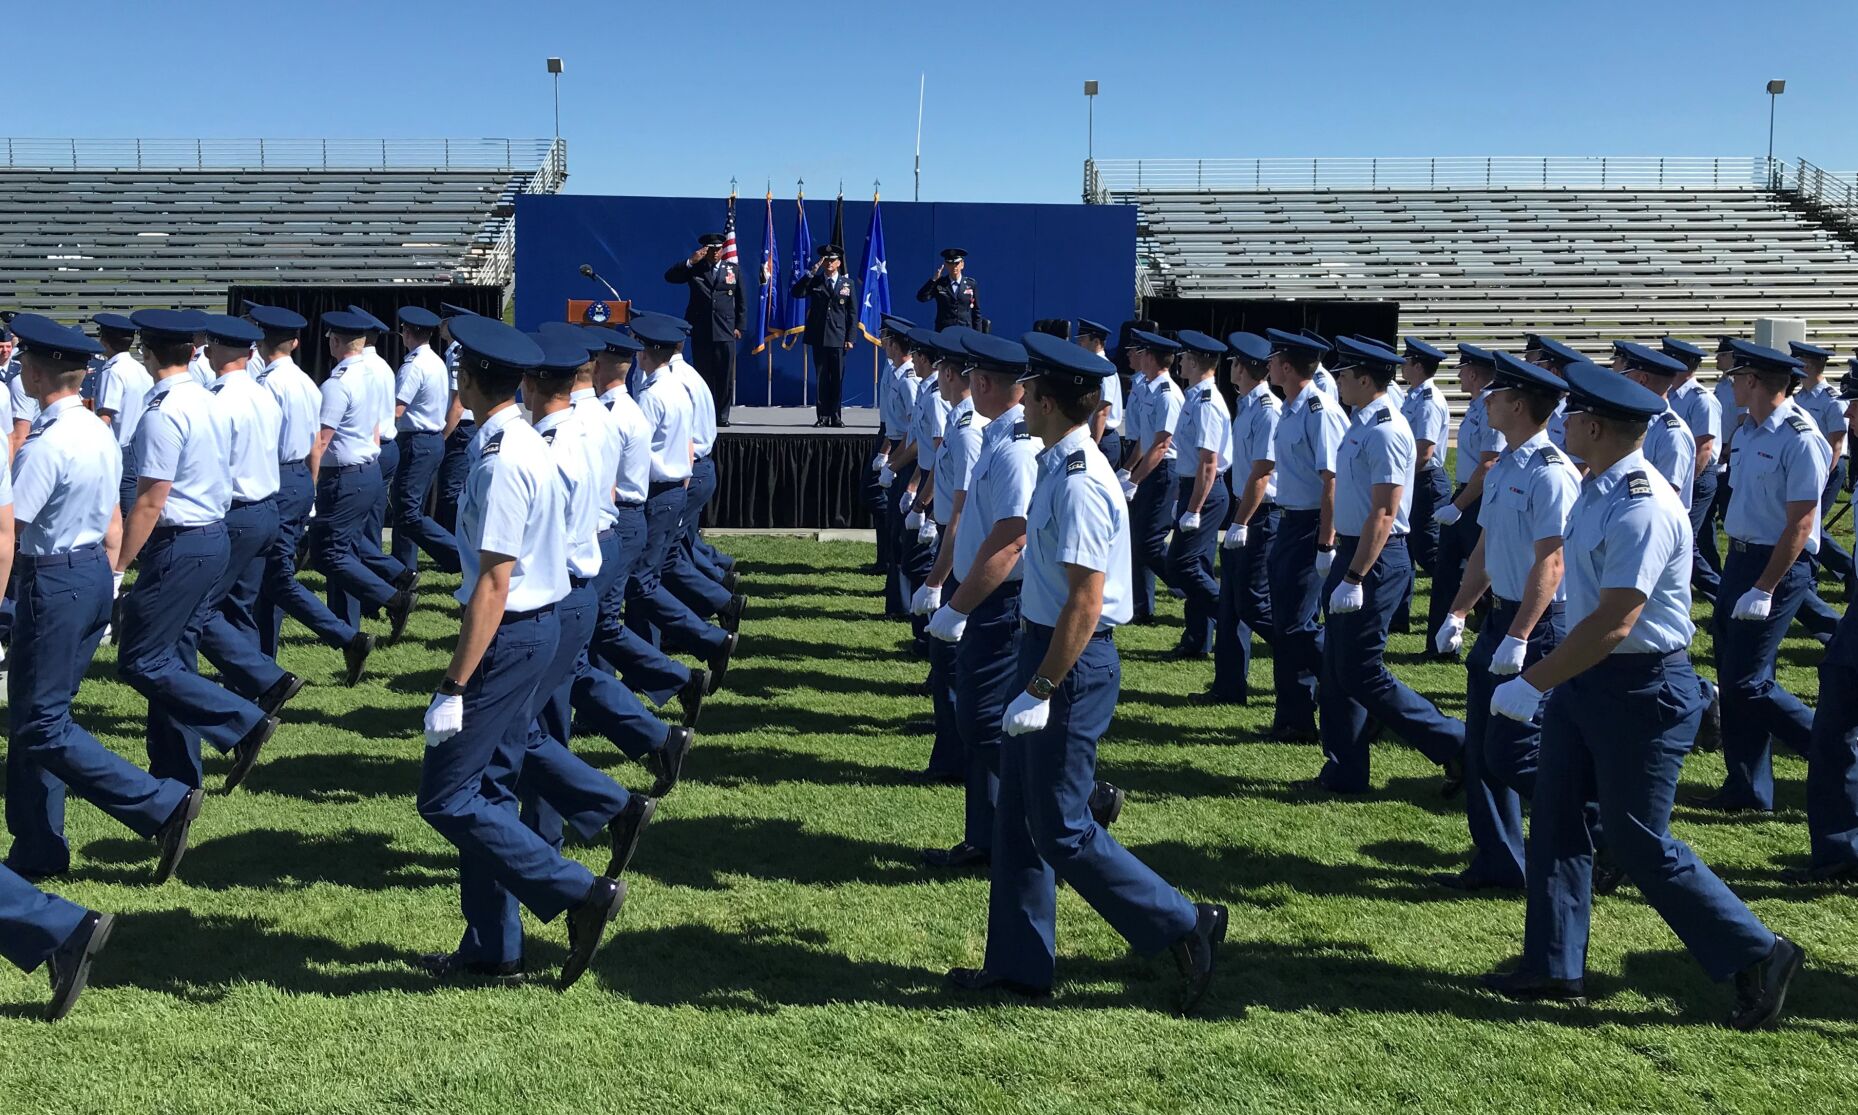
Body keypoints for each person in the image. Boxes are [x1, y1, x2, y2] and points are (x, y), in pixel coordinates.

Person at [1481, 360, 1802, 1031]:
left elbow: (1616, 618)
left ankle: (1760, 950)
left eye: (1573, 415)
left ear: (1594, 425)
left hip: (1642, 686)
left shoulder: (1642, 503)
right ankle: (1553, 961)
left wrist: (1534, 679)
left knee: (1636, 839)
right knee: (1559, 816)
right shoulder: (1596, 486)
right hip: (1590, 679)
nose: (1564, 421)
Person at [946, 330, 1225, 1015]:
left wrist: (1041, 686)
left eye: (1030, 393)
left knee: (1063, 827)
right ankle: (1018, 964)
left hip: (1068, 661)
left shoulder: (1080, 482)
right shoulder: (1056, 461)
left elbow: (1086, 598)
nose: (1021, 403)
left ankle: (1187, 922)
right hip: (1039, 647)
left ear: (1045, 400)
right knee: (1017, 817)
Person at [415, 314, 625, 988]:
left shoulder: (507, 457)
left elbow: (496, 582)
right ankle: (493, 944)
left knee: (447, 797)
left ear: (471, 378)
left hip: (511, 631)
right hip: (527, 627)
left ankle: (578, 891)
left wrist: (453, 684)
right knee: (486, 790)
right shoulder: (513, 440)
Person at [2, 314, 203, 885]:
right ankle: (38, 846)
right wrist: (112, 576)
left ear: (37, 373)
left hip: (55, 578)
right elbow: (115, 516)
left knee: (40, 723)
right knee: (39, 718)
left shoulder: (46, 443)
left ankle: (156, 803)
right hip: (89, 570)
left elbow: (11, 528)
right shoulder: (93, 429)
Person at [114, 310, 278, 792]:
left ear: (146, 353)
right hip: (210, 534)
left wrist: (119, 565)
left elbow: (149, 500)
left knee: (142, 660)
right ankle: (176, 773)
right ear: (194, 351)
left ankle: (241, 721)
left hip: (181, 542)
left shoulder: (164, 410)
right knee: (172, 659)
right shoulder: (209, 401)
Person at [1434, 352, 1580, 889]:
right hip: (1499, 620)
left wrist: (1520, 635)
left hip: (1535, 625)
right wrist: (1458, 609)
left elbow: (1552, 560)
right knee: (1482, 749)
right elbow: (1488, 546)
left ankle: (1593, 826)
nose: (1485, 400)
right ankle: (1499, 861)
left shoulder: (1552, 473)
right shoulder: (1505, 467)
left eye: (1495, 394)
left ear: (1518, 404)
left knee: (1513, 751)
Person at [1310, 337, 1466, 794]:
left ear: (1363, 379)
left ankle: (1454, 741)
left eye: (1344, 374)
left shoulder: (1387, 429)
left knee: (1362, 671)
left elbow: (1385, 510)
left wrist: (1356, 574)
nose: (1338, 380)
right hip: (1356, 550)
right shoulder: (1363, 423)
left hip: (1376, 558)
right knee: (1338, 669)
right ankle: (1344, 770)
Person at [1690, 341, 1830, 814]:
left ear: (1753, 382)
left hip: (1779, 565)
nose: (1731, 385)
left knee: (1748, 681)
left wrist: (1766, 586)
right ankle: (1748, 787)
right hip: (1742, 558)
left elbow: (1802, 524)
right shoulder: (1749, 432)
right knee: (1733, 677)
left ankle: (1830, 750)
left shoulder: (1799, 436)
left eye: (1737, 378)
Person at [924, 333, 1038, 869]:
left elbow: (1013, 539)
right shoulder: (996, 434)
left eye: (972, 377)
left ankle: (1068, 804)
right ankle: (986, 836)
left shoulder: (1015, 445)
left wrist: (959, 605)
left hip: (1001, 600)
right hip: (984, 592)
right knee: (978, 719)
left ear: (986, 383)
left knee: (984, 720)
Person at [581, 326, 710, 732]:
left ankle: (672, 680)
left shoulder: (621, 412)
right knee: (601, 621)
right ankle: (661, 684)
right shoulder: (633, 406)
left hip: (624, 516)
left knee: (601, 621)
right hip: (636, 512)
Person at [244, 304, 375, 685]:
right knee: (270, 578)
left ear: (258, 342)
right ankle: (262, 660)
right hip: (298, 475)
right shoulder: (303, 379)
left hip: (279, 478)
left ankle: (346, 637)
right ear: (296, 342)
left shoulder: (268, 383)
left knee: (276, 577)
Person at [191, 315, 302, 720]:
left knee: (196, 608)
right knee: (240, 606)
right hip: (264, 507)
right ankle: (250, 695)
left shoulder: (218, 398)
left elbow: (211, 464)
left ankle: (265, 679)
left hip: (236, 512)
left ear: (213, 350)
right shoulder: (261, 394)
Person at [622, 313, 738, 683]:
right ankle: (692, 632)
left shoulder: (660, 392)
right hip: (681, 480)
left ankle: (700, 638)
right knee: (659, 569)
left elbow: (639, 449)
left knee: (644, 580)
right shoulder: (678, 382)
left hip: (665, 487)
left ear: (647, 350)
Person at [910, 329, 988, 783]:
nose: (937, 376)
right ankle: (948, 737)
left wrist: (936, 580)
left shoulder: (968, 430)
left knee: (954, 662)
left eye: (942, 369)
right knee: (946, 662)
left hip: (965, 554)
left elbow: (961, 512)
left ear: (954, 374)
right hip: (954, 546)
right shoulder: (961, 422)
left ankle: (954, 755)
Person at [1263, 328, 1347, 742]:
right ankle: (1293, 716)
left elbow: (1332, 481)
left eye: (1274, 357)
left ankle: (1353, 690)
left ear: (1286, 365)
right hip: (1289, 520)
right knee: (1285, 624)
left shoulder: (1320, 411)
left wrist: (1326, 542)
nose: (1268, 363)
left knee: (1298, 625)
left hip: (1313, 523)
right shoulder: (1291, 408)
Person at [312, 311, 415, 640]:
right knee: (347, 547)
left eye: (330, 337)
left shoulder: (338, 383)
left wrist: (309, 487)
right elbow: (373, 427)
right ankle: (379, 594)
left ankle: (393, 598)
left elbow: (322, 440)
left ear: (337, 341)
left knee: (332, 552)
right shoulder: (371, 374)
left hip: (344, 474)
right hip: (367, 465)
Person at [1209, 332, 1279, 704]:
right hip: (1245, 507)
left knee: (1253, 603)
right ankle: (1228, 685)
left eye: (1234, 363)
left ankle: (1310, 657)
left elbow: (1262, 472)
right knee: (1230, 603)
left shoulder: (1267, 408)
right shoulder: (1248, 403)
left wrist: (1241, 521)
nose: (1230, 369)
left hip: (1260, 513)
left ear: (1244, 368)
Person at [1428, 345, 1506, 656]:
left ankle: (1487, 631)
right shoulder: (1478, 405)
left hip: (1478, 498)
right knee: (1446, 568)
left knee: (1481, 571)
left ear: (1473, 373)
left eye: (1462, 369)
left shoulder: (1491, 406)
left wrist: (1459, 505)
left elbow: (1489, 462)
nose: (1459, 374)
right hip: (1464, 493)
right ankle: (1440, 646)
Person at [1163, 331, 1232, 659]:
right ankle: (1197, 639)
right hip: (1194, 487)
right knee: (1197, 565)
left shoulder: (1207, 402)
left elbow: (1208, 461)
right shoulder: (1194, 396)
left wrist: (1194, 508)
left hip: (1205, 490)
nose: (1180, 362)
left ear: (1194, 361)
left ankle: (1229, 618)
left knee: (1181, 565)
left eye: (1185, 357)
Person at [1119, 330, 1183, 630]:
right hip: (1148, 468)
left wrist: (1136, 479)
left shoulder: (1168, 394)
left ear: (1152, 358)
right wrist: (1128, 470)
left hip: (1163, 472)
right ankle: (1142, 607)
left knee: (1150, 544)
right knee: (1138, 541)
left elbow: (1161, 444)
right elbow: (1144, 440)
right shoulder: (1148, 388)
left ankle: (1185, 583)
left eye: (1142, 353)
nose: (1137, 357)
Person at [391, 306, 461, 576]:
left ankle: (457, 554)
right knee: (409, 509)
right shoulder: (434, 360)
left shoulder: (414, 365)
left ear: (407, 333)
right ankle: (402, 568)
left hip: (416, 441)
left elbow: (398, 409)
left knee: (407, 510)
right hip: (431, 438)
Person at [1396, 338, 1451, 632]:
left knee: (1428, 551)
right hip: (1416, 478)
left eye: (1407, 361)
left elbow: (1424, 450)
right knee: (1407, 545)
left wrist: (1402, 479)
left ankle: (1470, 604)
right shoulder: (1415, 396)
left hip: (1425, 479)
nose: (1403, 366)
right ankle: (1398, 615)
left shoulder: (1429, 400)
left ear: (1417, 365)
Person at [665, 232, 744, 427]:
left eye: (718, 249)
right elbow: (670, 277)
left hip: (725, 329)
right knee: (704, 375)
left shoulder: (732, 269)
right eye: (711, 249)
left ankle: (722, 415)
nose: (715, 253)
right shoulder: (695, 269)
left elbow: (741, 301)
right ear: (704, 250)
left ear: (723, 250)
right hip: (702, 328)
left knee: (725, 376)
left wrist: (739, 326)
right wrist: (690, 261)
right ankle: (705, 415)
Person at [1792, 340, 1851, 591]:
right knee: (1811, 527)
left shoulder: (1832, 400)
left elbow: (1836, 445)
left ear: (1808, 365)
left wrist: (1822, 477)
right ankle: (1848, 571)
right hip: (1807, 469)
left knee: (1811, 526)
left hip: (1829, 469)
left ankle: (1842, 572)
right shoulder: (1800, 397)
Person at [873, 316, 920, 617]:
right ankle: (896, 599)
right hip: (897, 450)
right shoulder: (898, 375)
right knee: (893, 529)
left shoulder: (910, 381)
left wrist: (892, 460)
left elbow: (914, 431)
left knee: (902, 533)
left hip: (908, 458)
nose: (884, 345)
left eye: (888, 340)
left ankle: (902, 605)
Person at [1612, 343, 1695, 508]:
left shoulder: (1671, 433)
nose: (1623, 382)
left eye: (1627, 376)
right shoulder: (1638, 422)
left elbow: (1667, 498)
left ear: (1642, 380)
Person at [87, 314, 152, 518]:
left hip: (120, 448)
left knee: (121, 510)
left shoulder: (112, 372)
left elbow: (105, 416)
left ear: (103, 340)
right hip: (139, 445)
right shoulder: (140, 368)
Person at [791, 244, 857, 428]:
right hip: (818, 336)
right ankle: (822, 416)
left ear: (839, 262)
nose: (829, 263)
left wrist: (850, 338)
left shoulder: (847, 283)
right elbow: (796, 292)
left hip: (838, 336)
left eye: (832, 260)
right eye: (826, 260)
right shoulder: (816, 281)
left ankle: (835, 415)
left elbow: (852, 313)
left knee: (836, 378)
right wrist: (810, 273)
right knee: (821, 378)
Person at [434, 303, 481, 534]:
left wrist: (442, 436)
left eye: (444, 322)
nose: (440, 327)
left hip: (460, 429)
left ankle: (455, 548)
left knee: (452, 491)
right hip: (463, 428)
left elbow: (458, 404)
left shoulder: (458, 354)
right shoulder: (456, 352)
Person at [1074, 319, 1124, 460]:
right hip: (1095, 434)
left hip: (1102, 438)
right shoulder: (1093, 367)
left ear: (1096, 342)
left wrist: (1092, 448)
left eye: (1082, 340)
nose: (1079, 344)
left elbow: (1102, 411)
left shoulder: (1104, 369)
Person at [915, 248, 980, 330]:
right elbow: (921, 297)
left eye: (957, 263)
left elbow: (976, 312)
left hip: (965, 330)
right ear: (945, 265)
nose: (954, 266)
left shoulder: (971, 284)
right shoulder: (940, 284)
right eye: (950, 263)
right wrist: (933, 280)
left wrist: (978, 336)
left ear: (962, 264)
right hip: (945, 331)